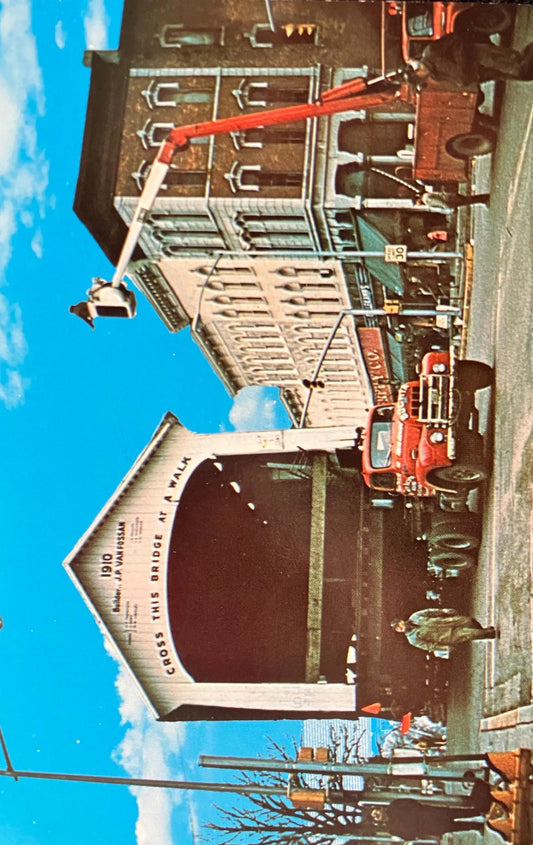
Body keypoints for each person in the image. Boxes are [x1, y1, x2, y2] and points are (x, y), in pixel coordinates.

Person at [409, 32, 533, 89]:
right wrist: (465, 81)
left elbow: (456, 41)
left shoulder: (431, 52)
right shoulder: (435, 76)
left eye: (421, 77)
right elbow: (456, 78)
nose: (425, 78)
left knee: (518, 67)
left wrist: (462, 65)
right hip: (482, 73)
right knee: (521, 74)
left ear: (418, 70)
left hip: (480, 56)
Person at [368, 784, 492, 840]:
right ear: (377, 821)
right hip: (426, 827)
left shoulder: (394, 805)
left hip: (426, 813)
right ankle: (476, 826)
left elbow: (410, 802)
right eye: (375, 817)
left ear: (380, 808)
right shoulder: (392, 829)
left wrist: (417, 811)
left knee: (454, 813)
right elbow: (408, 836)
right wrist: (422, 834)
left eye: (376, 811)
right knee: (451, 827)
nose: (377, 815)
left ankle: (477, 813)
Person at [392, 607, 497, 653]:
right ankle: (488, 634)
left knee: (469, 621)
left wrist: (443, 611)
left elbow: (430, 612)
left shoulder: (415, 616)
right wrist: (444, 648)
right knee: (470, 633)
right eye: (397, 629)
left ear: (401, 621)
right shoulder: (412, 639)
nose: (399, 628)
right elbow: (429, 646)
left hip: (448, 622)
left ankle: (483, 631)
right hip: (448, 636)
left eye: (398, 625)